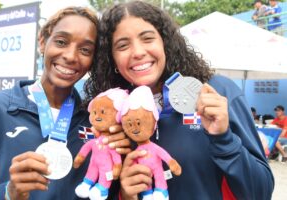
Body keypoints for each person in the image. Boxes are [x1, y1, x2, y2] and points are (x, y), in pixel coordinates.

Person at [84, 1, 274, 199]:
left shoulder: (216, 92)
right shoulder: (111, 114)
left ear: (166, 42)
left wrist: (224, 138)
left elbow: (261, 192)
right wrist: (125, 194)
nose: (138, 52)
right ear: (112, 58)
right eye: (123, 46)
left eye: (148, 39)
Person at [0, 7, 130, 200]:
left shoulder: (95, 119)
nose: (71, 56)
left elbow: (107, 190)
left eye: (85, 50)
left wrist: (122, 172)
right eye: (61, 42)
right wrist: (7, 193)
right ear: (42, 42)